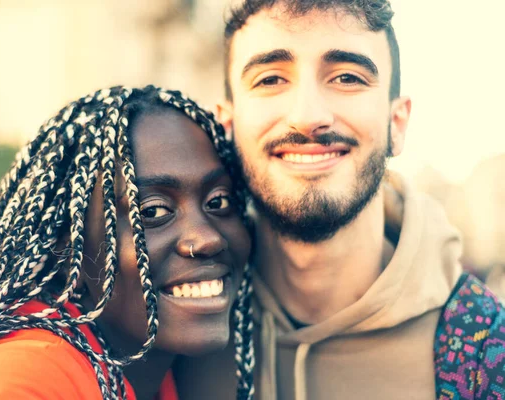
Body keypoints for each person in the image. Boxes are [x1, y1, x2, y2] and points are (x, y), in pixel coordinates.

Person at [173, 1, 505, 399]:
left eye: (347, 77)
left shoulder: (487, 351)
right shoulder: (173, 337)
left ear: (396, 124)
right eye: (270, 79)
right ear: (228, 126)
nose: (308, 116)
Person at [0, 86, 255, 400]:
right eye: (151, 210)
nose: (208, 238)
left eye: (218, 202)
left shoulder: (160, 367)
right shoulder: (21, 378)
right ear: (69, 245)